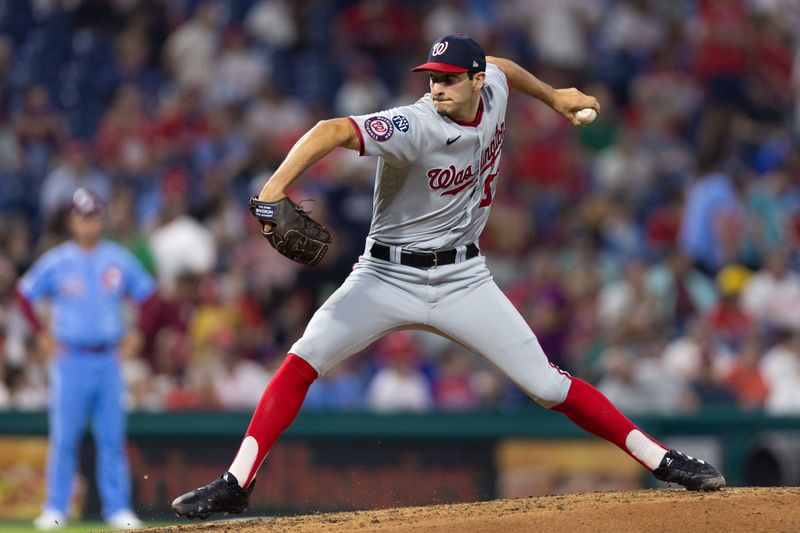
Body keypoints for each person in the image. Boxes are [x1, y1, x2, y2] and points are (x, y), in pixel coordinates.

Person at [172, 34, 725, 519]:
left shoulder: (496, 87)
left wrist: (554, 96)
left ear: (475, 81)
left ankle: (664, 459)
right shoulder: (413, 124)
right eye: (432, 78)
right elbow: (330, 130)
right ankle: (236, 482)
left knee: (547, 385)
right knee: (300, 361)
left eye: (449, 79)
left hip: (465, 278)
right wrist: (272, 191)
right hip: (385, 275)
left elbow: (504, 67)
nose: (437, 88)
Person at [17, 189, 155, 530]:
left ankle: (117, 508)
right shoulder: (58, 260)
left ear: (101, 218)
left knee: (112, 437)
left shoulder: (117, 258)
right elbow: (23, 295)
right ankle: (55, 507)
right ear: (72, 220)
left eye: (93, 215)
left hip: (108, 357)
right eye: (82, 215)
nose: (88, 221)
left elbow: (150, 297)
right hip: (71, 358)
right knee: (64, 437)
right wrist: (42, 335)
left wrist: (137, 334)